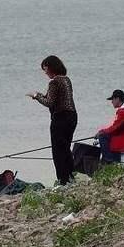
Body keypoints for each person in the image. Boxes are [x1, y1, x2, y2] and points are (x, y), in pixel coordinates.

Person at [29, 55, 77, 185]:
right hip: (72, 116)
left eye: (45, 69)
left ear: (51, 68)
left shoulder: (54, 81)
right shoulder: (66, 79)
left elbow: (49, 103)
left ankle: (62, 180)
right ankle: (71, 176)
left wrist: (36, 96)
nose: (45, 72)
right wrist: (43, 96)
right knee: (66, 148)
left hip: (60, 118)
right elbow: (59, 98)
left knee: (58, 151)